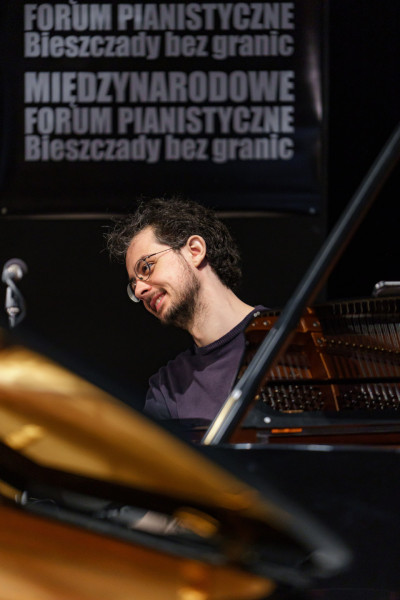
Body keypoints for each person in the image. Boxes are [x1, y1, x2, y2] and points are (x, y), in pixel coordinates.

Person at [106, 196, 265, 423]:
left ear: (195, 251)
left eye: (146, 267)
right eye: (133, 285)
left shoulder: (296, 336)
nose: (139, 290)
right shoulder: (167, 388)